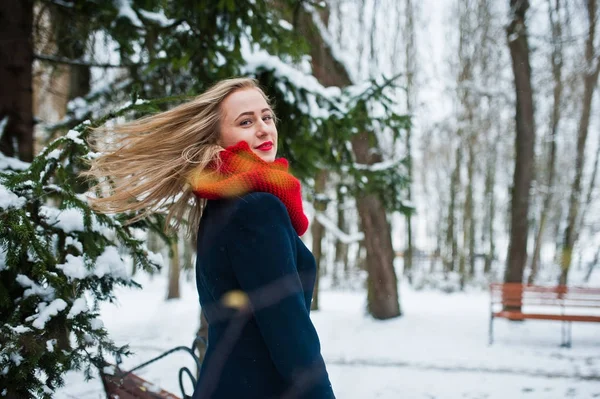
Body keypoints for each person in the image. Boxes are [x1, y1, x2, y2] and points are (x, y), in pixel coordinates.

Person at [86, 78, 335, 399]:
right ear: (217, 138)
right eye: (246, 121)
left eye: (267, 116)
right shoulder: (256, 208)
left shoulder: (224, 205)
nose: (263, 128)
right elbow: (290, 334)